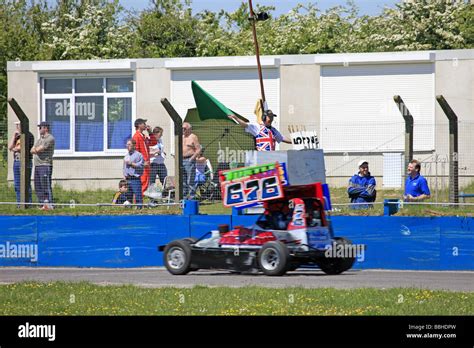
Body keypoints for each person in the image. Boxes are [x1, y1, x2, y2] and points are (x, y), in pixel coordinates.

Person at [8, 121, 34, 207]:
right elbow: (10, 147)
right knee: (17, 184)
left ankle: (28, 204)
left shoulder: (28, 135)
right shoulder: (18, 136)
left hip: (25, 162)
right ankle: (19, 203)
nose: (17, 127)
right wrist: (14, 136)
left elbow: (20, 148)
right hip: (16, 161)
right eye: (16, 125)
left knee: (26, 183)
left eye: (18, 125)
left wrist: (14, 148)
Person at [31, 121, 55, 210]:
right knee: (38, 185)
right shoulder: (40, 139)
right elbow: (32, 149)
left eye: (40, 127)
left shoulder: (50, 138)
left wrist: (36, 149)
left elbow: (40, 149)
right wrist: (36, 149)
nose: (39, 129)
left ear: (45, 128)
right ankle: (42, 204)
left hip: (45, 165)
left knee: (45, 185)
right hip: (37, 165)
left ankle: (50, 204)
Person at [182, 122, 201, 199]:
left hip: (189, 160)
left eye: (184, 128)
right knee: (182, 180)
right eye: (182, 128)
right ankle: (184, 197)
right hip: (181, 160)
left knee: (190, 179)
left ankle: (191, 197)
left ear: (189, 129)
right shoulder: (181, 136)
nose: (183, 130)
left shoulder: (193, 137)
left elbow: (198, 149)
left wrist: (192, 158)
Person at [123, 139, 144, 208]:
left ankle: (139, 209)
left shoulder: (138, 155)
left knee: (138, 195)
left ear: (134, 145)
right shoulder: (126, 155)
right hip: (128, 178)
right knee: (128, 195)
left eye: (129, 144)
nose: (127, 146)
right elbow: (124, 167)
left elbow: (141, 165)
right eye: (127, 144)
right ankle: (129, 208)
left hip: (135, 179)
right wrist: (124, 175)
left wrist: (132, 164)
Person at [132, 118, 150, 196]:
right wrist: (142, 163)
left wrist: (150, 133)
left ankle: (140, 202)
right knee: (142, 182)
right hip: (142, 164)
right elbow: (135, 152)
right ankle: (138, 203)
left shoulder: (143, 136)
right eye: (144, 123)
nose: (145, 125)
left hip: (146, 163)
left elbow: (153, 142)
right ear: (139, 125)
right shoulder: (136, 136)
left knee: (145, 182)